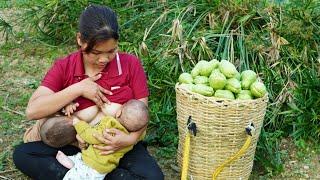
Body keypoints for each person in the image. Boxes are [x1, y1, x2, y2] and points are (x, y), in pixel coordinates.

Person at [13, 4, 164, 180]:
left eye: (111, 51)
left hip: (115, 148)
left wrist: (128, 140)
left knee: (153, 177)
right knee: (23, 155)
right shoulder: (65, 67)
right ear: (80, 40)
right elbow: (33, 110)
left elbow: (141, 113)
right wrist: (79, 88)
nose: (104, 59)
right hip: (76, 144)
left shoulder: (130, 64)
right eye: (95, 52)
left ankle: (82, 175)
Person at [57, 99, 149, 180]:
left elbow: (91, 136)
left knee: (73, 177)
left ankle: (76, 169)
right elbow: (142, 134)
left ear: (119, 112)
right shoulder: (131, 137)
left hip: (94, 164)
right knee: (82, 163)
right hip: (104, 166)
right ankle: (74, 164)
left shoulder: (110, 124)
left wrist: (79, 124)